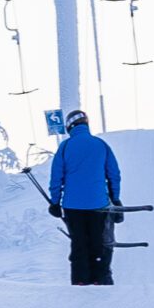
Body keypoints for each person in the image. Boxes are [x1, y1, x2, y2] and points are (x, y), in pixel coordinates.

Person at [46, 110, 123, 285]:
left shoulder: (65, 147)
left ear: (70, 126)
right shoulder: (101, 145)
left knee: (79, 243)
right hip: (98, 204)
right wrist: (115, 199)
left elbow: (56, 177)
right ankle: (100, 278)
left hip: (72, 206)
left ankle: (80, 280)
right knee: (98, 241)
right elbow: (114, 174)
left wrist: (55, 202)